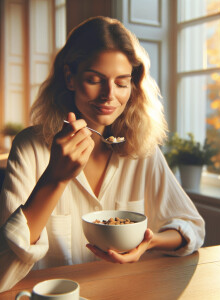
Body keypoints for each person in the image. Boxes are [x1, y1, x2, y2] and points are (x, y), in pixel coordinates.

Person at [0, 16, 205, 292]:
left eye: (121, 83)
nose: (109, 95)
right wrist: (55, 178)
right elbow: (5, 264)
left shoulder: (141, 149)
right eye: (94, 79)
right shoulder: (30, 146)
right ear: (70, 77)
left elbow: (192, 228)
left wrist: (149, 243)